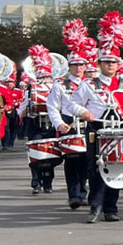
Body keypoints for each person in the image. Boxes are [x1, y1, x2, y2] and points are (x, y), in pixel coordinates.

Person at [70, 12, 123, 223]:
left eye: (113, 62)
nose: (110, 65)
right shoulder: (89, 84)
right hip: (97, 128)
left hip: (120, 128)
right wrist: (83, 112)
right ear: (99, 63)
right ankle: (95, 206)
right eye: (106, 62)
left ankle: (111, 207)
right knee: (96, 168)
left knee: (118, 166)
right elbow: (71, 103)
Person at [50, 20, 93, 209]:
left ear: (85, 66)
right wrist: (59, 123)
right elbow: (52, 106)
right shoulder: (61, 85)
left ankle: (83, 192)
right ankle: (74, 195)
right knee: (72, 160)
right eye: (75, 65)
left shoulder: (92, 84)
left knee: (87, 161)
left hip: (88, 125)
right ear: (70, 66)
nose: (78, 68)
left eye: (81, 65)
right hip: (69, 124)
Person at [20, 45, 58, 195]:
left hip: (51, 124)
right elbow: (21, 109)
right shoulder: (31, 89)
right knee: (35, 154)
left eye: (47, 77)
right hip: (35, 123)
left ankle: (48, 182)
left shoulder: (57, 88)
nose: (45, 80)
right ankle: (36, 182)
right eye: (42, 78)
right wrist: (24, 110)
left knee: (50, 154)